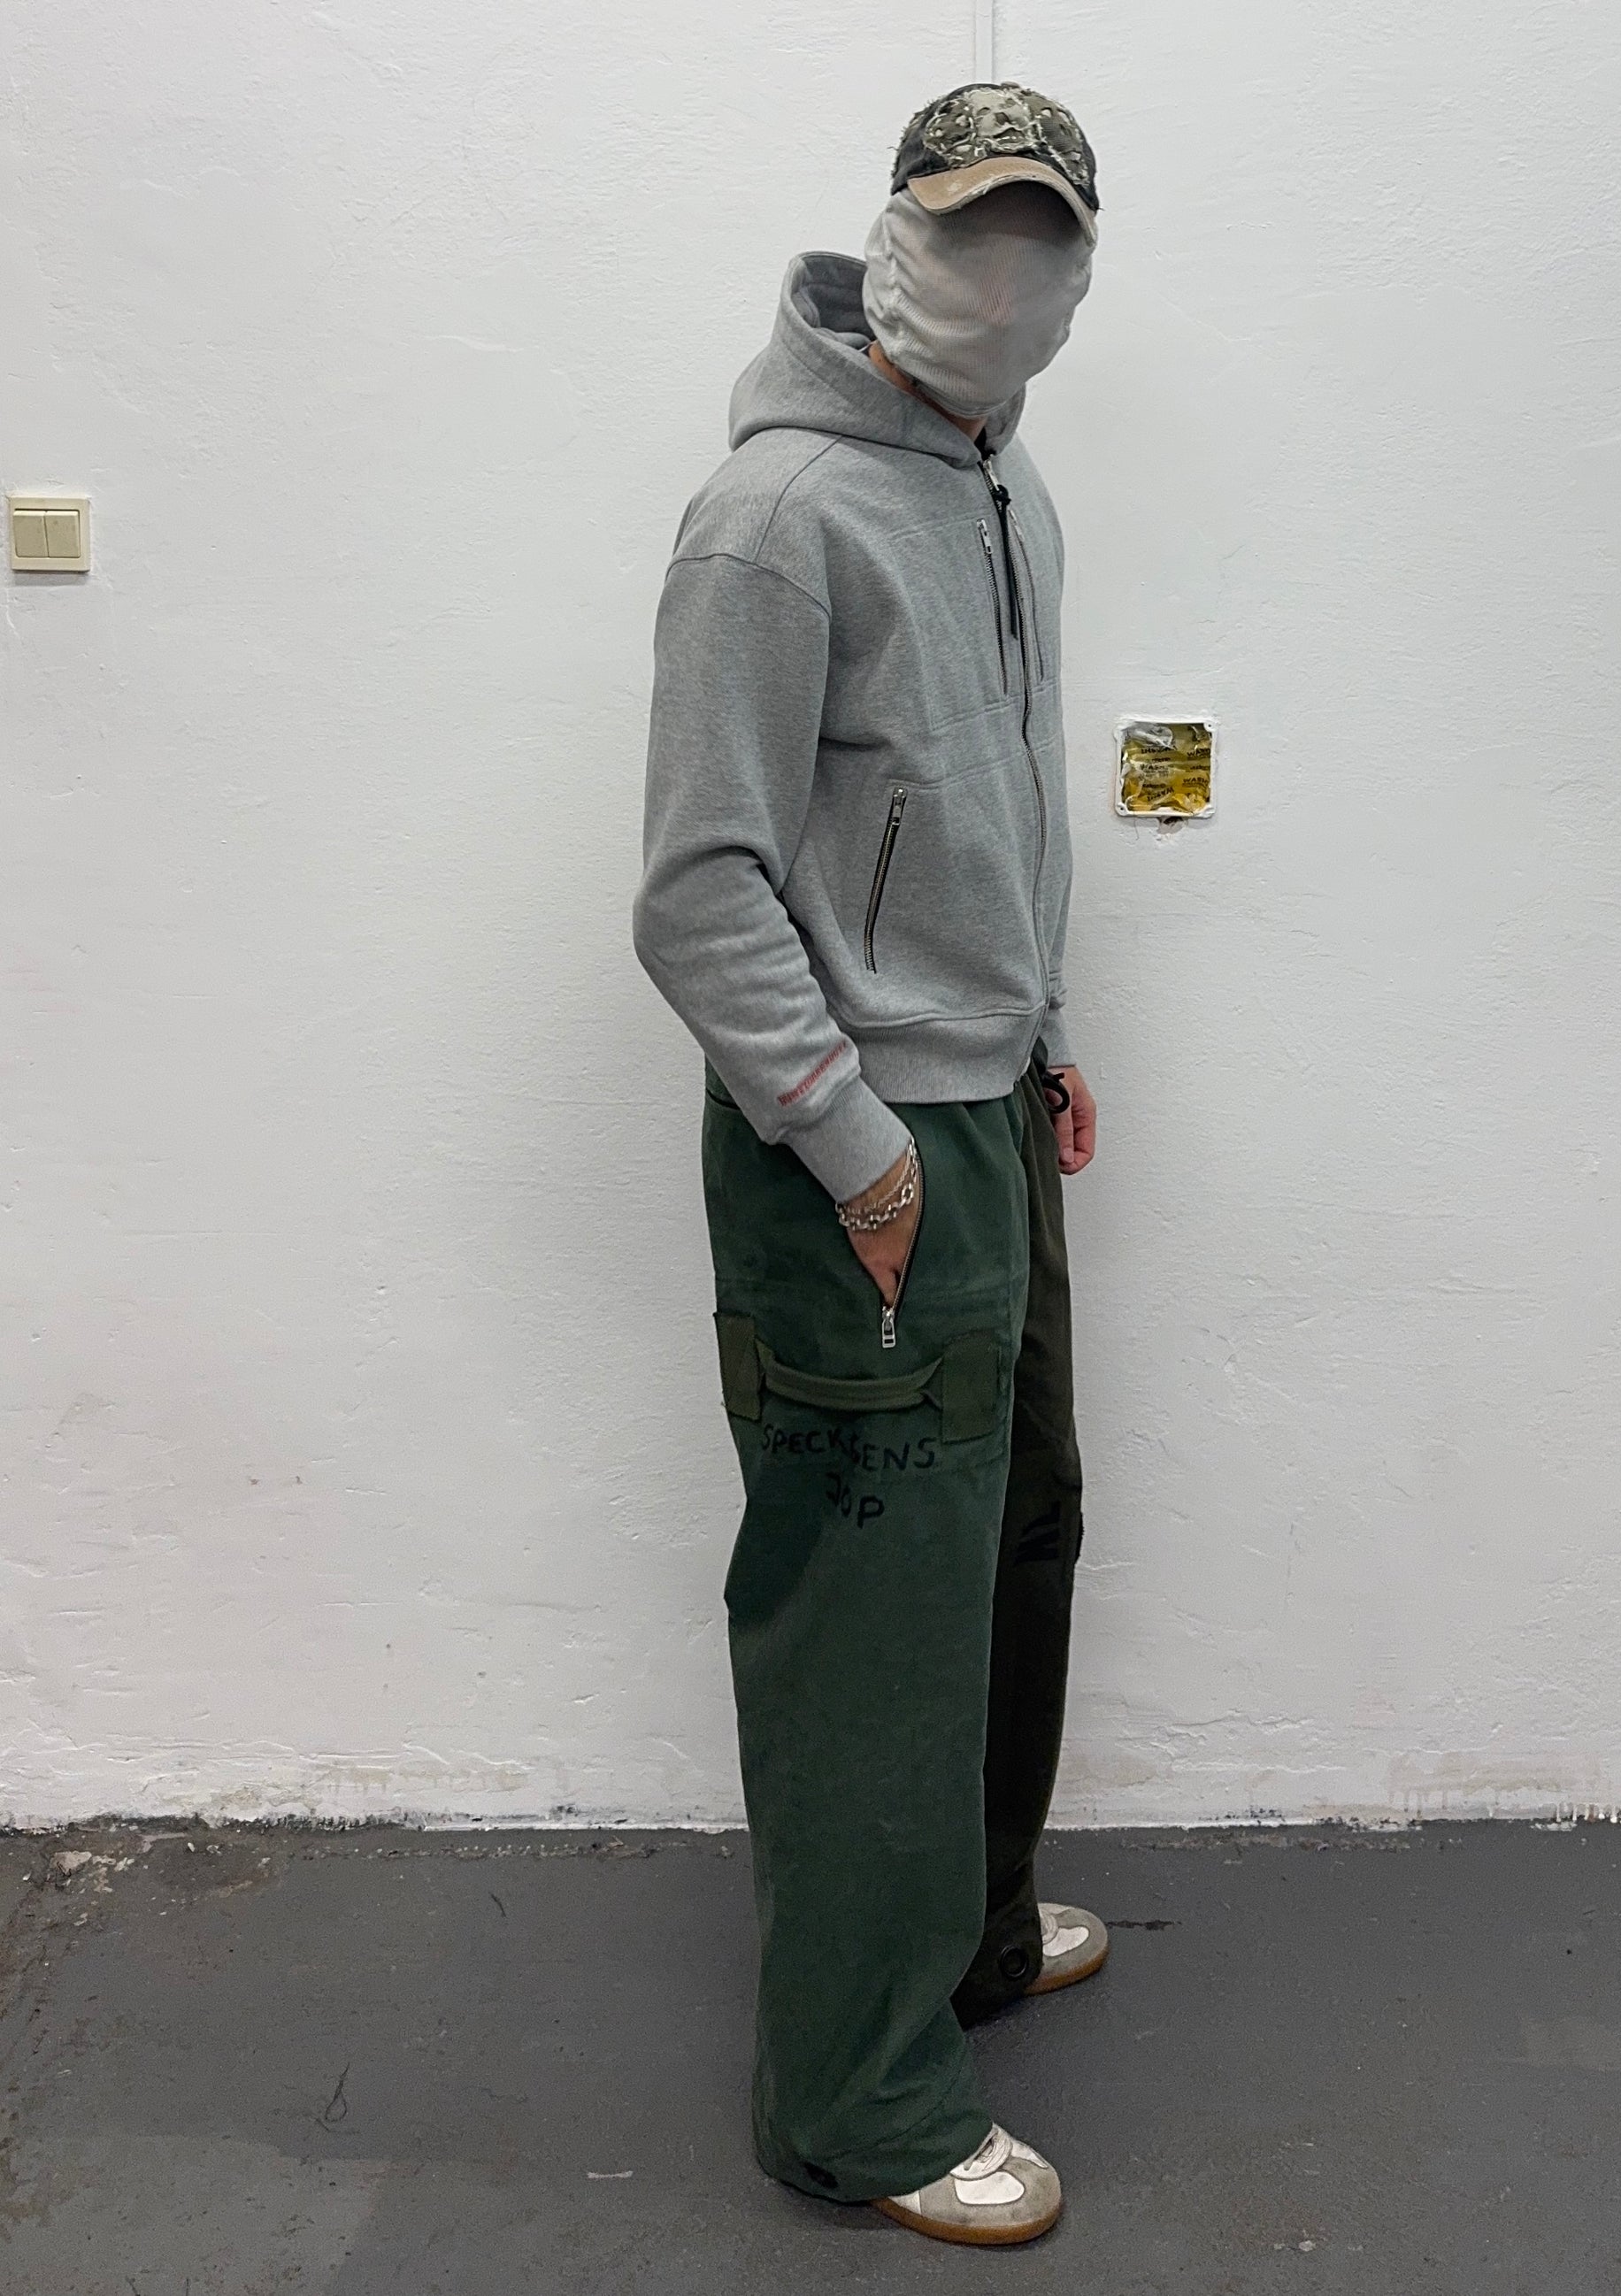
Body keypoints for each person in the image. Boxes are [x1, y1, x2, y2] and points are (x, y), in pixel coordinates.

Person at [633, 81, 1102, 2248]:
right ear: (893, 232)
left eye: (1047, 236)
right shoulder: (777, 514)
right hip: (856, 1154)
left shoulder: (1006, 491)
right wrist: (861, 1143)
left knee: (1014, 1544)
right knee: (871, 1624)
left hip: (986, 1105)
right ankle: (858, 2098)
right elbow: (698, 888)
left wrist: (1040, 1034)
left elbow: (996, 797)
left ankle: (970, 1934)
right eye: (972, 223)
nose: (1007, 271)